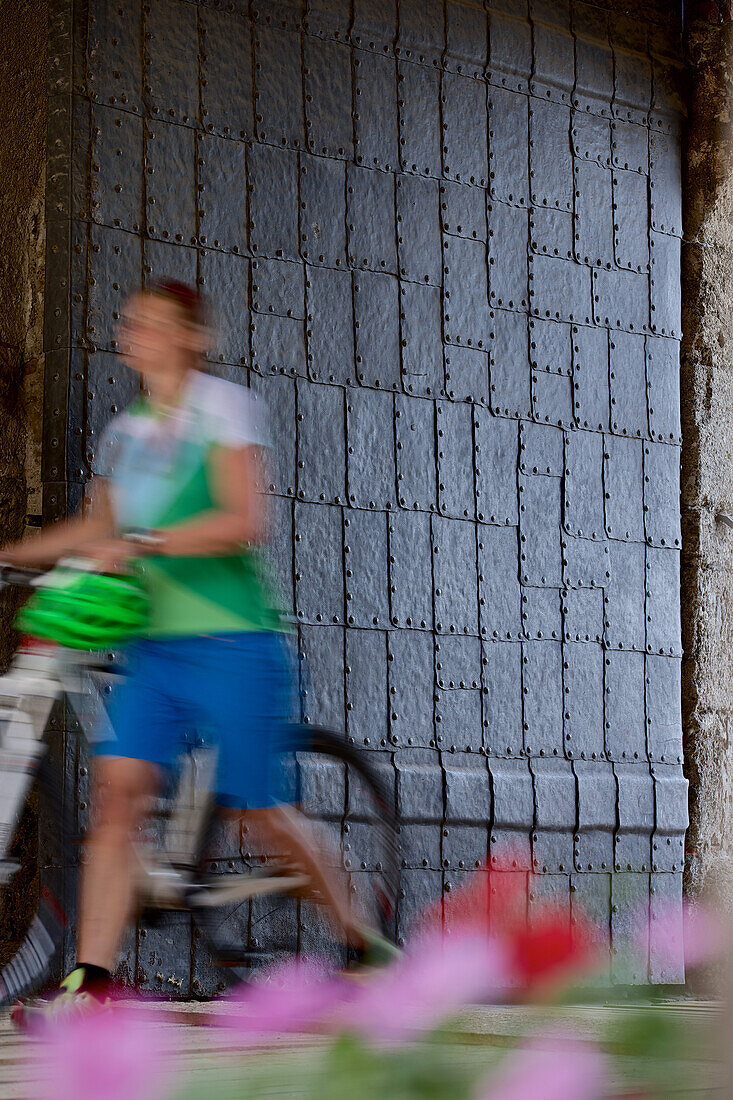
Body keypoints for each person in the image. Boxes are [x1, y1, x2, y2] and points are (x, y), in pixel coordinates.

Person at [3, 280, 379, 1017]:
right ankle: (94, 984)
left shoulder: (224, 411)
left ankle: (363, 941)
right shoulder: (125, 434)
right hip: (156, 651)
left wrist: (143, 541)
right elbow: (93, 532)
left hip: (237, 643)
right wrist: (13, 555)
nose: (131, 329)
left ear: (190, 337)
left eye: (150, 321)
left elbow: (244, 518)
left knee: (260, 816)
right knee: (116, 799)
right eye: (129, 319)